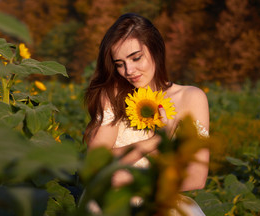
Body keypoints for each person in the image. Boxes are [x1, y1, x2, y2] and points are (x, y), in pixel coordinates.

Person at [83, 13, 210, 215]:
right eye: (119, 63)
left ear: (156, 49)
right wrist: (155, 141)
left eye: (136, 58)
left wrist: (133, 179)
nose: (129, 70)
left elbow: (196, 176)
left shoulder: (191, 98)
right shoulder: (113, 94)